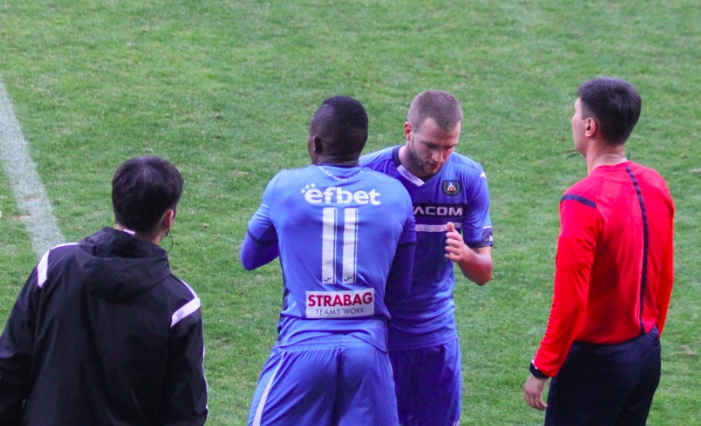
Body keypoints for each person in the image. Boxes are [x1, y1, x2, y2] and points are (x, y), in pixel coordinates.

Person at [241, 95, 416, 425]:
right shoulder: (396, 195)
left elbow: (249, 257)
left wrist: (298, 232)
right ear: (360, 145)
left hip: (303, 349)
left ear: (316, 142)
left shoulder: (285, 187)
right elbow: (400, 289)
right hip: (368, 354)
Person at [0, 156, 208, 425]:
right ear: (168, 218)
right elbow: (185, 413)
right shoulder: (179, 305)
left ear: (116, 202)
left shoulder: (54, 266)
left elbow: (9, 367)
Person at [523, 77, 675, 425]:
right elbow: (664, 273)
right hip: (645, 355)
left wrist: (542, 366)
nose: (572, 120)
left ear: (590, 127)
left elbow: (571, 299)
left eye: (576, 113)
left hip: (594, 367)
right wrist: (650, 337)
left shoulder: (582, 199)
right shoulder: (655, 184)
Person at [360, 90, 494, 425]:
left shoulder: (468, 178)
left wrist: (465, 255)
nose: (439, 157)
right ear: (408, 130)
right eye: (430, 145)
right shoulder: (368, 175)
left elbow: (483, 272)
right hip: (378, 336)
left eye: (449, 147)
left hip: (436, 337)